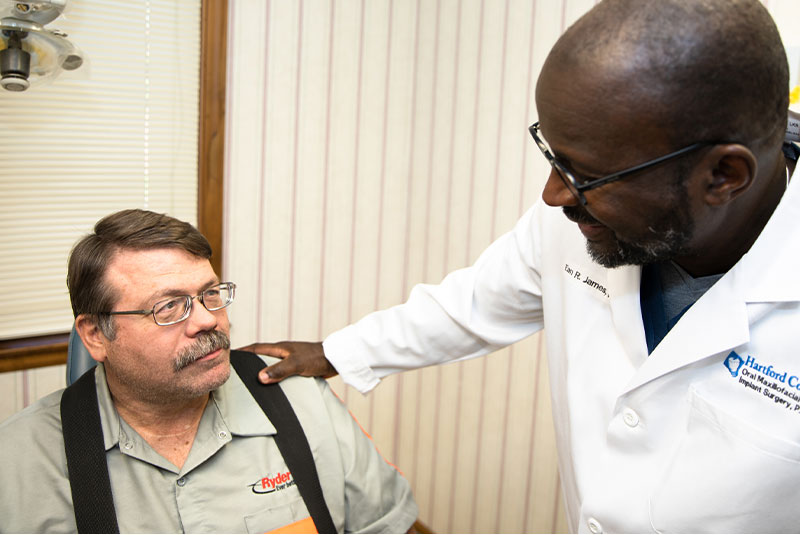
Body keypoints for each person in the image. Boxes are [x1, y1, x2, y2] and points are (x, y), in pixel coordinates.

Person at [243, 0, 800, 532]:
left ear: (724, 176)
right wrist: (336, 352)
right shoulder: (583, 216)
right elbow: (476, 303)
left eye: (585, 175)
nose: (554, 194)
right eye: (553, 155)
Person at [0, 209, 417, 533]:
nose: (206, 320)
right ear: (95, 335)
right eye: (168, 306)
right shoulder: (20, 460)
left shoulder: (302, 401)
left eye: (210, 294)